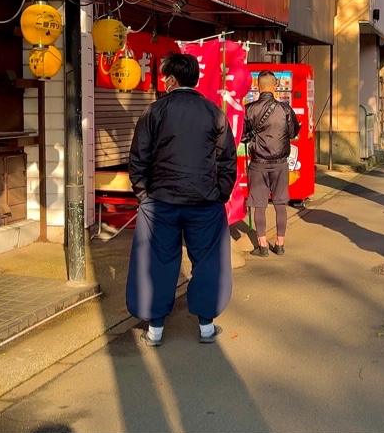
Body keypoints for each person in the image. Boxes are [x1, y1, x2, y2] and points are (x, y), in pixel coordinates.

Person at [126, 53, 238, 346]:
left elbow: (139, 157)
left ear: (172, 79)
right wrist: (220, 195)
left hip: (160, 202)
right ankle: (205, 327)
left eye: (165, 77)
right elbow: (227, 160)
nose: (163, 81)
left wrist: (143, 194)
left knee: (157, 261)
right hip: (205, 203)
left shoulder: (154, 111)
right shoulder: (214, 112)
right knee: (208, 261)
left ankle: (156, 330)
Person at [242, 71, 300, 257]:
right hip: (280, 163)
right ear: (275, 86)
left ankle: (262, 246)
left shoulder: (249, 109)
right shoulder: (285, 109)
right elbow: (292, 133)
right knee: (280, 203)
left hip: (258, 163)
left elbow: (242, 136)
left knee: (259, 205)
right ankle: (280, 244)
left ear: (257, 86)